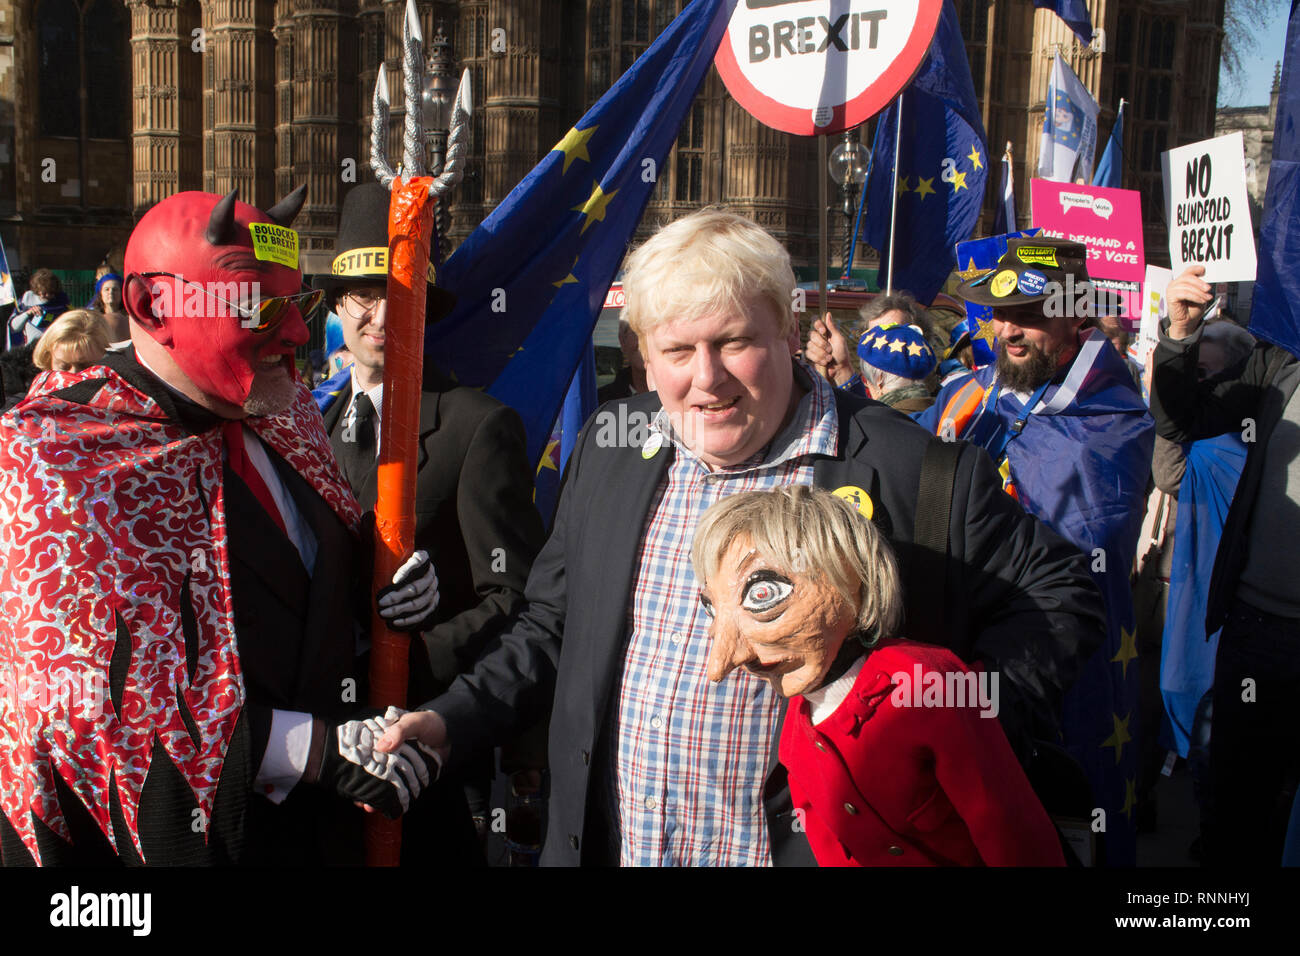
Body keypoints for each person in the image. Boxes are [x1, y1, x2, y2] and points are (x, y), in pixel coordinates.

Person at [377, 208, 1105, 866]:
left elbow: (1063, 595)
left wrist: (945, 720)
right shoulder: (610, 444)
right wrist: (448, 722)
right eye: (677, 351)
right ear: (643, 353)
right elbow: (550, 627)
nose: (707, 380)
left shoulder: (915, 471)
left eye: (733, 342)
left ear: (788, 332)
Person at [0, 187, 445, 867]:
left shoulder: (286, 413)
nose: (296, 332)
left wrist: (384, 576)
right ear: (153, 306)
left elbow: (309, 572)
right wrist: (313, 749)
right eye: (255, 306)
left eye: (300, 303)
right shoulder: (51, 453)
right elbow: (83, 706)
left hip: (320, 838)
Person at [313, 182, 546, 852]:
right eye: (363, 295)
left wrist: (405, 653)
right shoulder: (310, 426)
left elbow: (517, 596)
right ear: (336, 305)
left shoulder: (476, 426)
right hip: (327, 755)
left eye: (398, 294)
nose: (381, 313)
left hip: (430, 750)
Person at [916, 237, 1155, 865]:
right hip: (953, 661)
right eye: (1000, 315)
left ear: (1074, 316)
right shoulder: (962, 395)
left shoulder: (1113, 419)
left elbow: (1080, 546)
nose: (1009, 331)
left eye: (1029, 314)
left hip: (1056, 665)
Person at [693, 485, 1065, 866]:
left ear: (849, 575)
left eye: (763, 594)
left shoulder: (929, 685)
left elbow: (1009, 826)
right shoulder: (795, 736)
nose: (724, 662)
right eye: (711, 608)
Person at [1153, 263, 1300, 866]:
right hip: (1260, 626)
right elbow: (1178, 419)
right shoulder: (1278, 364)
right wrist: (1181, 333)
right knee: (1239, 808)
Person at [805, 291, 940, 393]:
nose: (880, 347)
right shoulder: (864, 388)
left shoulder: (935, 405)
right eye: (872, 337)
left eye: (893, 335)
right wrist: (841, 369)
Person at [852, 323, 937, 413]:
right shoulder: (945, 410)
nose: (866, 386)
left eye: (866, 381)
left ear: (879, 381)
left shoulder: (881, 422)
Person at [31, 309, 110, 373]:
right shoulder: (37, 391)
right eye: (64, 367)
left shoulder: (117, 389)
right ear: (48, 359)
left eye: (86, 367)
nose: (73, 374)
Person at [9, 268, 69, 348]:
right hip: (31, 350)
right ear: (36, 289)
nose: (47, 295)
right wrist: (28, 313)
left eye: (51, 292)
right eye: (44, 292)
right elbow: (14, 328)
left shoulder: (62, 300)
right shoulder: (27, 299)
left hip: (54, 348)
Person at [598, 318, 649, 402]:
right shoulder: (598, 404)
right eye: (637, 331)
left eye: (653, 331)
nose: (645, 341)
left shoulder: (678, 398)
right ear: (622, 341)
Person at [87, 272, 130, 346]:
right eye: (107, 289)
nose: (111, 292)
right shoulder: (92, 318)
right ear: (101, 294)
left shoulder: (129, 318)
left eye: (115, 289)